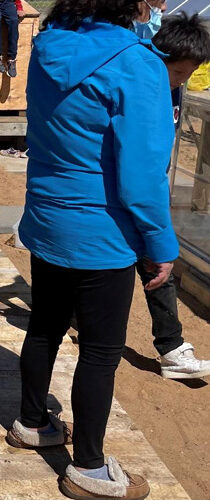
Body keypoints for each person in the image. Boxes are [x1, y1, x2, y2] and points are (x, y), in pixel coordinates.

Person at [6, 1, 178, 498]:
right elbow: (143, 173)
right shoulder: (136, 63)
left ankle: (32, 422)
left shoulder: (48, 46)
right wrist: (159, 241)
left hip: (48, 217)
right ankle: (88, 468)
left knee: (45, 325)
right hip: (102, 232)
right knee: (101, 352)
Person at [137, 10, 210, 379]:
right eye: (178, 71)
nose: (181, 79)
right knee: (154, 260)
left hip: (152, 187)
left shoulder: (172, 88)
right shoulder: (138, 88)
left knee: (156, 266)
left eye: (188, 74)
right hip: (134, 192)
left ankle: (171, 347)